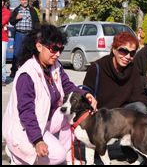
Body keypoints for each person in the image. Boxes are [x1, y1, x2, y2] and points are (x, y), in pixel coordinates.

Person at [2, 23, 97, 165]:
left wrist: (85, 94)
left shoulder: (54, 65)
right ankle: (17, 155)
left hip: (44, 121)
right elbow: (26, 112)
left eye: (60, 49)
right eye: (54, 49)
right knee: (56, 155)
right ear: (39, 46)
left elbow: (67, 85)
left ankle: (67, 158)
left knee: (69, 114)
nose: (58, 53)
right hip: (24, 128)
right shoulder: (27, 74)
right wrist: (38, 140)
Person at [83, 32, 147, 163]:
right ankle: (97, 143)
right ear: (113, 49)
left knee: (140, 108)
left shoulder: (132, 70)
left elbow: (139, 96)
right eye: (123, 51)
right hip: (100, 117)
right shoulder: (97, 68)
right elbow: (86, 91)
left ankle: (130, 147)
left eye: (132, 53)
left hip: (120, 115)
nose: (127, 56)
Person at [9, 0, 40, 78]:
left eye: (25, 0)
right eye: (22, 0)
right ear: (20, 1)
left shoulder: (32, 10)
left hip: (29, 35)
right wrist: (16, 18)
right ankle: (14, 71)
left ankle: (29, 71)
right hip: (19, 34)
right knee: (16, 53)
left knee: (29, 53)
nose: (24, 1)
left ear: (27, 0)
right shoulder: (16, 10)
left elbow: (37, 22)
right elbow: (11, 21)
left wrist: (36, 33)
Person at [2, 0, 11, 86]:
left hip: (3, 38)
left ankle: (3, 78)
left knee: (2, 60)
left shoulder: (7, 12)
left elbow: (3, 21)